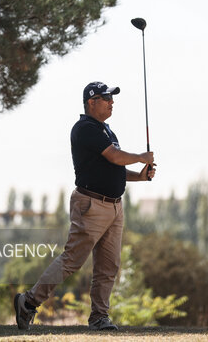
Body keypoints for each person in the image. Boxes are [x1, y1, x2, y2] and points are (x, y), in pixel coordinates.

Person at [14, 81, 156, 331]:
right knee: (72, 260)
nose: (112, 102)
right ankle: (28, 301)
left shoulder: (107, 131)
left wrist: (140, 175)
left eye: (112, 98)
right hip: (90, 204)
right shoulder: (85, 128)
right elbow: (114, 156)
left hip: (114, 207)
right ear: (92, 102)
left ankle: (99, 317)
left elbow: (115, 168)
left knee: (109, 265)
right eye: (106, 98)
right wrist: (141, 157)